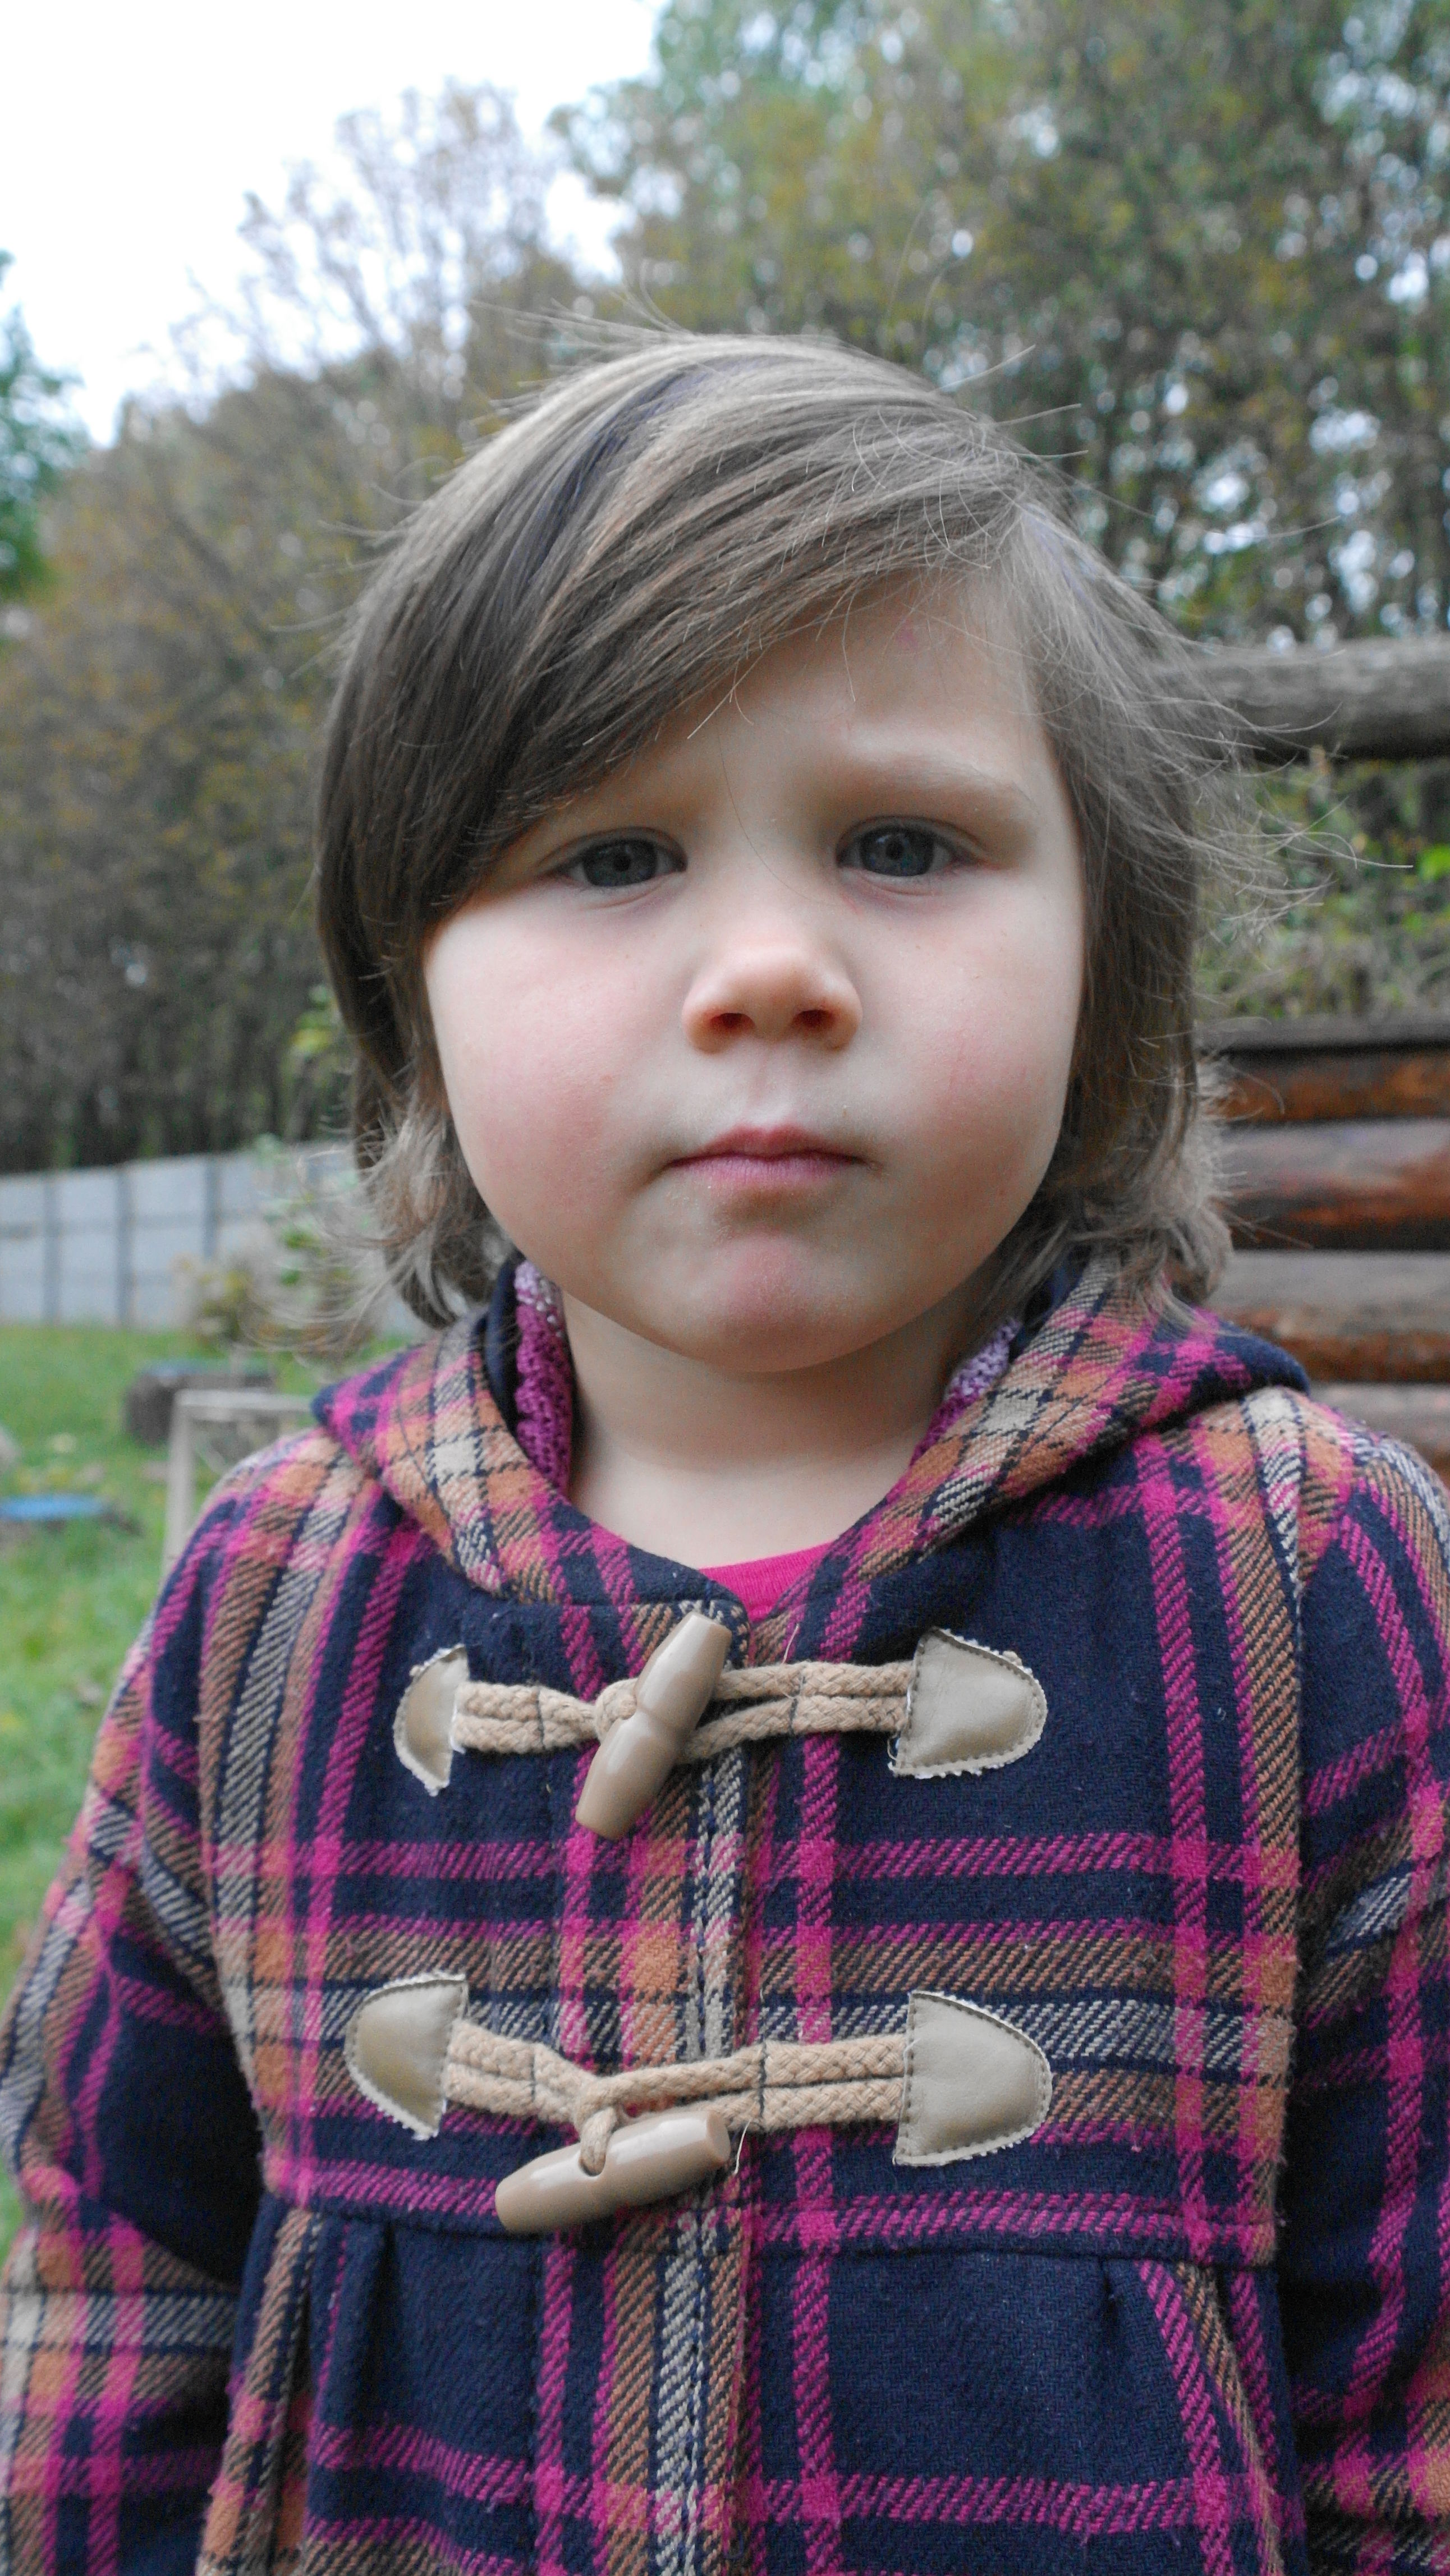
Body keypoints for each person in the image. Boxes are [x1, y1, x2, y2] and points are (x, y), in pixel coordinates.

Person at [2, 334, 1447, 2576]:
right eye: (611, 853)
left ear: (1109, 952)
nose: (770, 966)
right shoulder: (272, 1601)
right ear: (409, 990)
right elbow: (106, 2306)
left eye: (904, 843)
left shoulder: (1311, 1581)